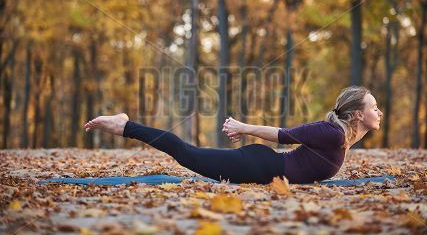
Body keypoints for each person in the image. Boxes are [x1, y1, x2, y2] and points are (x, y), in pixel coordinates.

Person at [84, 85, 383, 184]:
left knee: (188, 153)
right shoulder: (331, 132)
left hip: (264, 166)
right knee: (186, 153)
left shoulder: (344, 136)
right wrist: (243, 127)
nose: (379, 112)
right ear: (357, 115)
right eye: (374, 107)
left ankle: (125, 126)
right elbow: (285, 134)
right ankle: (125, 125)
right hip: (259, 166)